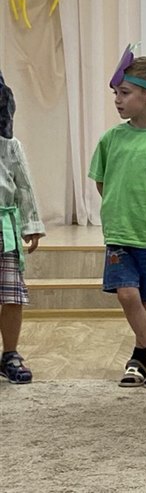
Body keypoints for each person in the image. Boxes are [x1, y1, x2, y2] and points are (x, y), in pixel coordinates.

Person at [89, 47, 146, 389]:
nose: (117, 100)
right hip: (119, 233)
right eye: (115, 93)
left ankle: (140, 358)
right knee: (127, 294)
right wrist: (119, 207)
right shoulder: (111, 138)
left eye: (124, 93)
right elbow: (101, 181)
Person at [0, 70, 44, 384]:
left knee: (11, 294)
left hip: (4, 230)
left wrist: (31, 223)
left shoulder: (9, 146)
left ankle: (10, 354)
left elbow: (24, 185)